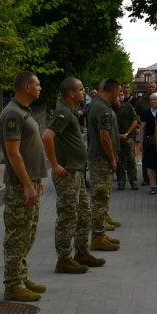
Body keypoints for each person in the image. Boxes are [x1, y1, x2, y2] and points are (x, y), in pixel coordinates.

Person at [41, 78, 106, 274]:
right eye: (80, 90)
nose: (83, 93)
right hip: (67, 172)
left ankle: (81, 252)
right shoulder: (62, 112)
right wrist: (54, 165)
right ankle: (64, 259)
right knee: (68, 217)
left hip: (75, 172)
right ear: (71, 93)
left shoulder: (69, 111)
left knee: (83, 215)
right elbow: (47, 136)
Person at [0, 70, 48, 302]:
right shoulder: (12, 113)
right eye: (37, 84)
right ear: (26, 87)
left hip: (30, 182)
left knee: (28, 233)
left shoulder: (23, 111)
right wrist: (27, 185)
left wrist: (36, 181)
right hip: (20, 186)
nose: (40, 88)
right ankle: (12, 284)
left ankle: (21, 277)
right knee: (17, 235)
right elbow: (13, 153)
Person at [86, 79, 122, 251]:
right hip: (101, 158)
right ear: (114, 90)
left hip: (102, 157)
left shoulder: (101, 106)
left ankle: (100, 233)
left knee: (102, 195)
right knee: (100, 197)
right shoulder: (101, 108)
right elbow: (104, 136)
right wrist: (112, 158)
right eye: (118, 90)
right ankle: (98, 236)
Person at [113, 92, 140, 191]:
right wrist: (118, 135)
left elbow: (134, 121)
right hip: (116, 138)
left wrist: (127, 134)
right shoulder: (110, 109)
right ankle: (121, 181)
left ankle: (133, 181)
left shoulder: (128, 107)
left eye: (118, 97)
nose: (116, 100)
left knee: (131, 160)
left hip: (128, 137)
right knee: (119, 160)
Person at [140, 93, 157, 194]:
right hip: (150, 142)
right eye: (152, 100)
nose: (153, 101)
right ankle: (153, 186)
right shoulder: (146, 113)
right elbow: (142, 129)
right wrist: (141, 143)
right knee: (150, 164)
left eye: (156, 99)